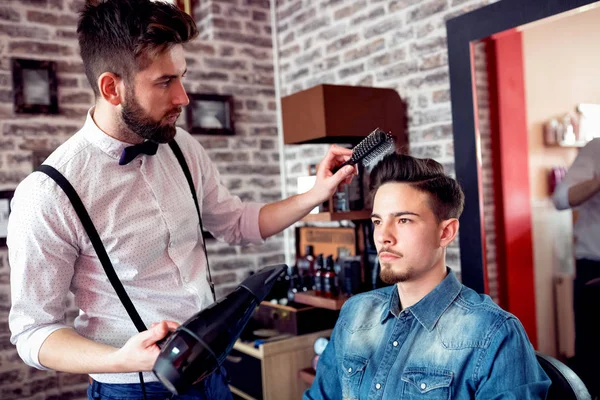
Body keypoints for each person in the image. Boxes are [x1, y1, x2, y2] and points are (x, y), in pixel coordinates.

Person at [7, 1, 356, 399]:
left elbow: (238, 222)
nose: (184, 97)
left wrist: (315, 194)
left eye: (182, 77)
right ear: (111, 88)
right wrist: (122, 359)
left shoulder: (182, 147)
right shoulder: (49, 194)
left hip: (213, 372)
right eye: (164, 82)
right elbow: (34, 333)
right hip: (134, 390)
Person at [304, 153, 550, 400]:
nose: (383, 236)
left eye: (403, 220)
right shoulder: (355, 313)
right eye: (378, 221)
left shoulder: (493, 334)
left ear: (446, 232)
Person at [552, 137, 600, 395]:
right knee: (593, 354)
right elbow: (560, 199)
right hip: (595, 268)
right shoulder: (596, 149)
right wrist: (597, 182)